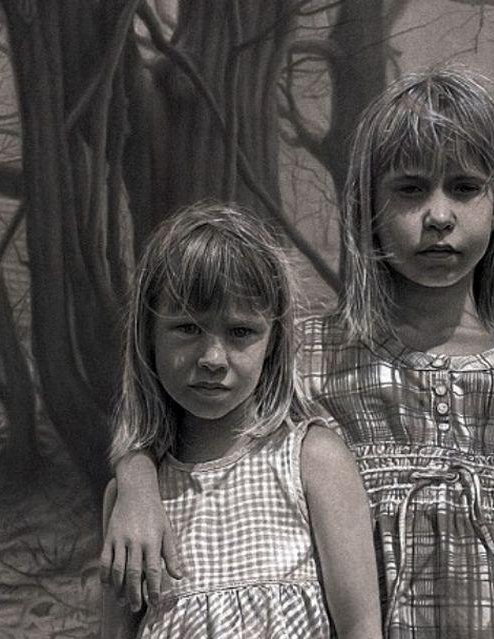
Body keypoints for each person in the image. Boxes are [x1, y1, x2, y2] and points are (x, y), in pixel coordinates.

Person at [101, 68, 494, 639]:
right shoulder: (310, 359)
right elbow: (187, 433)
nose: (439, 216)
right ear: (368, 207)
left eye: (464, 187)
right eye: (410, 189)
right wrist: (135, 481)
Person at [100, 203, 382, 639]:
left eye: (240, 332)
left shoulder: (312, 461)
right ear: (148, 336)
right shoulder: (135, 497)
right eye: (188, 328)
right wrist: (134, 477)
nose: (213, 358)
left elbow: (361, 626)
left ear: (273, 343)